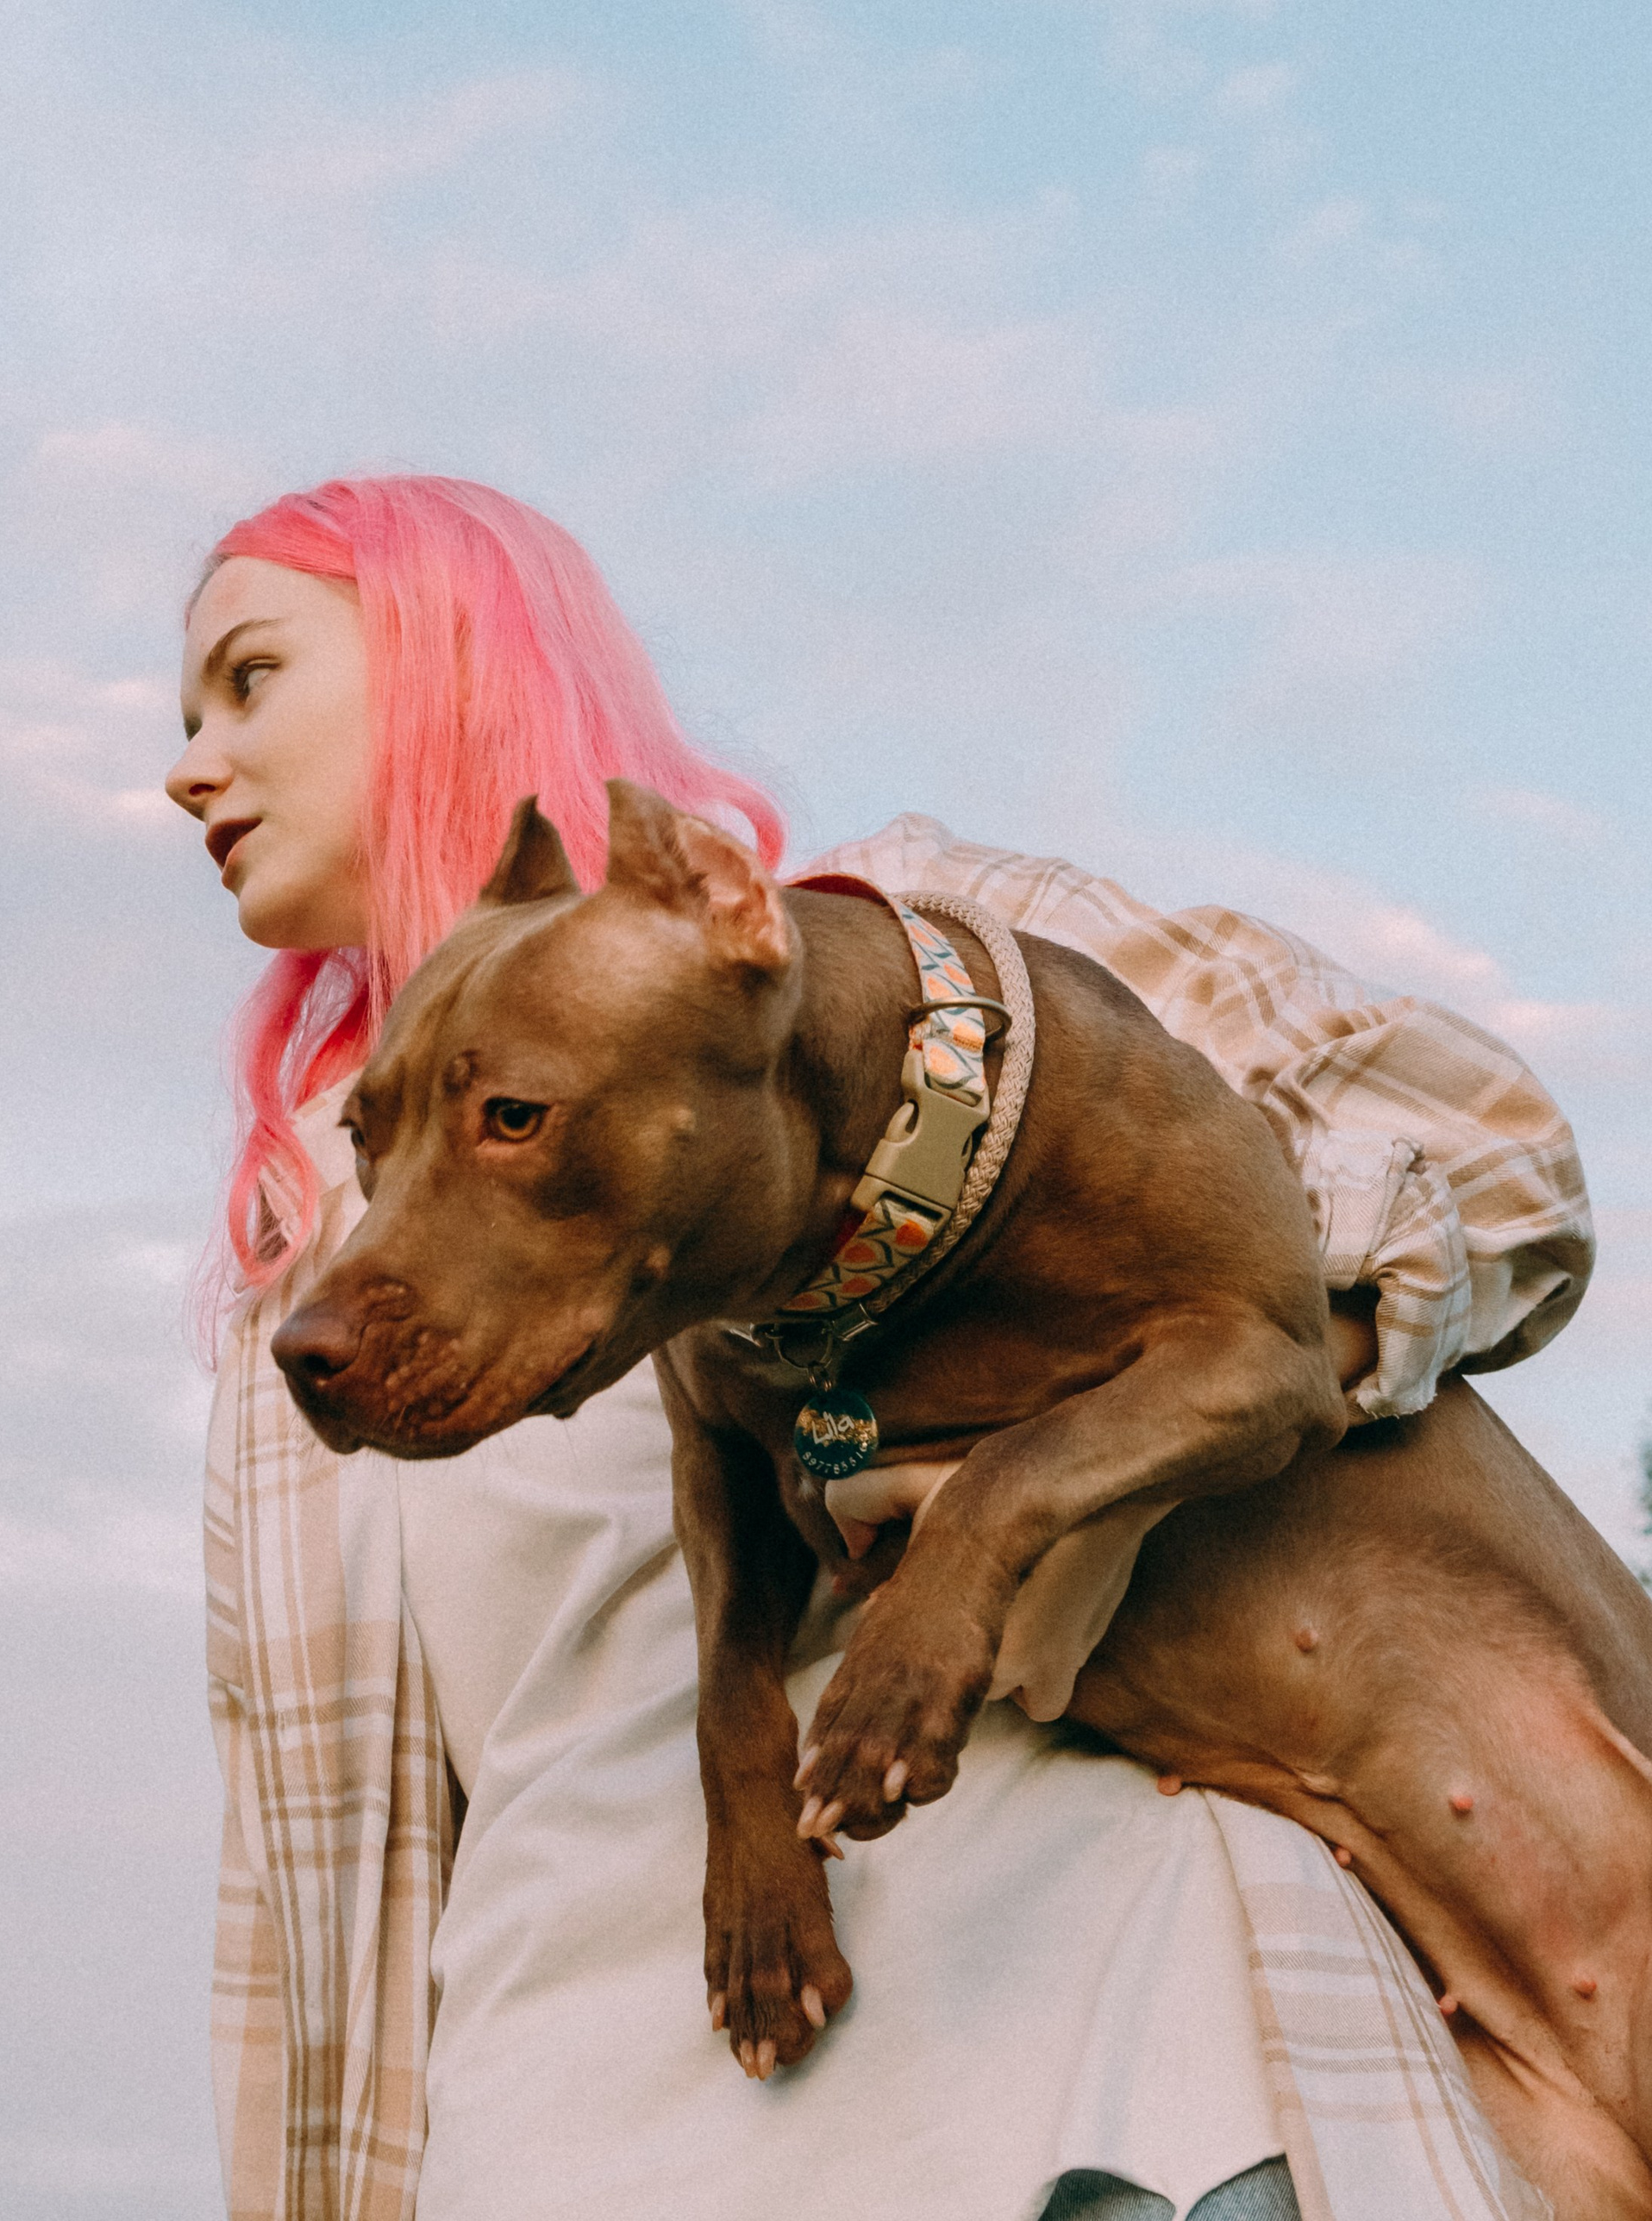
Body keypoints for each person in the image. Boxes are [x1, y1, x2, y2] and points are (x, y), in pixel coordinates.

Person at [173, 474, 1589, 2221]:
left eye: (249, 679)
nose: (188, 763)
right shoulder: (296, 1290)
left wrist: (1101, 1447)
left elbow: (1492, 1152)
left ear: (448, 660)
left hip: (1083, 2063)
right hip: (574, 2133)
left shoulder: (874, 952)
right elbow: (329, 1908)